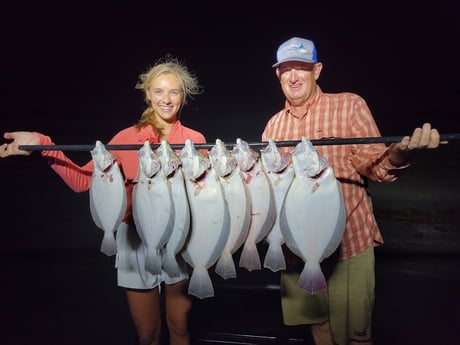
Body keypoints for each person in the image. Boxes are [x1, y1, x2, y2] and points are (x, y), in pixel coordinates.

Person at [0, 55, 206, 345]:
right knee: (147, 335)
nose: (166, 99)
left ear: (183, 96)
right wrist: (45, 145)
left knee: (180, 325)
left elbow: (208, 191)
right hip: (135, 240)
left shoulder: (195, 140)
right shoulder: (126, 137)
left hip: (179, 239)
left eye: (173, 91)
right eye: (158, 91)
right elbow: (83, 180)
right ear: (147, 94)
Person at [261, 37, 441, 345]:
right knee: (317, 326)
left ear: (317, 70)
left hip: (350, 243)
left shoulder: (349, 106)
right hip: (298, 250)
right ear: (278, 75)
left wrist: (399, 154)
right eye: (286, 69)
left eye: (301, 68)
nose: (293, 76)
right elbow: (269, 189)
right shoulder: (273, 127)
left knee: (357, 335)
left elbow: (374, 164)